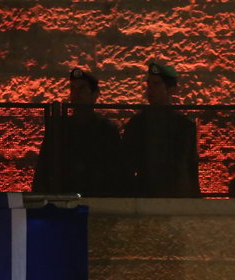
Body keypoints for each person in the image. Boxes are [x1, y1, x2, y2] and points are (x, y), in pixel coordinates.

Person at [32, 66, 128, 196]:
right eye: (73, 89)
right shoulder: (59, 129)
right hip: (64, 198)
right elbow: (43, 168)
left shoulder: (106, 131)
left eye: (81, 88)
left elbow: (117, 173)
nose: (76, 94)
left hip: (96, 198)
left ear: (94, 95)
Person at [122, 61, 200, 197]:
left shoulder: (184, 125)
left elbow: (190, 166)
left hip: (174, 194)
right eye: (149, 84)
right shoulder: (137, 123)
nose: (150, 89)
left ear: (170, 89)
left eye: (156, 84)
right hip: (146, 193)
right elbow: (127, 165)